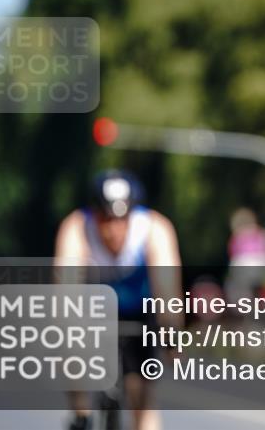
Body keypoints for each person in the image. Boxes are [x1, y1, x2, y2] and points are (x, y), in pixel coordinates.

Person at [54, 170, 182, 430]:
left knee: (142, 396)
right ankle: (81, 415)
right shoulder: (77, 228)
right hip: (93, 310)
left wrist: (172, 334)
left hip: (139, 312)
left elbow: (167, 289)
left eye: (121, 219)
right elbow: (66, 290)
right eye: (105, 218)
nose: (114, 228)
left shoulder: (155, 228)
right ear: (94, 213)